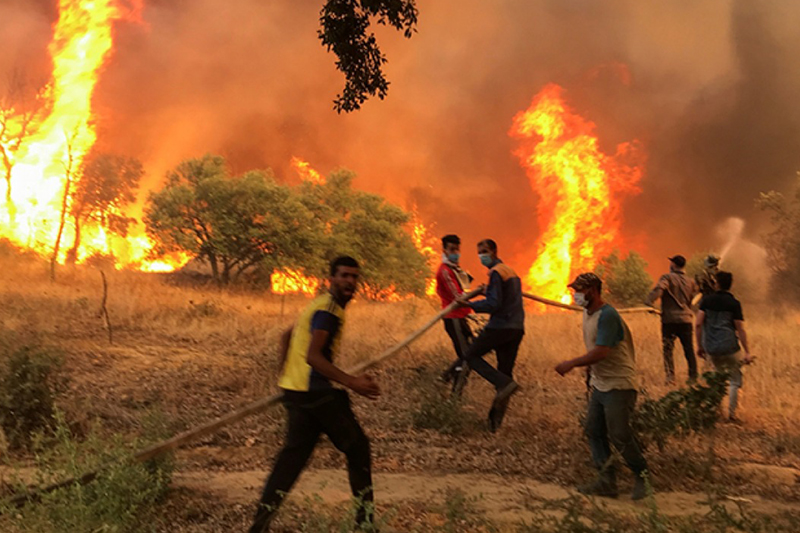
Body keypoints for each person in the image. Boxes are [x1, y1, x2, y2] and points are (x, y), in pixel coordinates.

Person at [249, 256, 380, 533]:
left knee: (291, 462)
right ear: (331, 278)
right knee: (358, 449)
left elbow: (286, 337)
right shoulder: (329, 311)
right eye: (344, 275)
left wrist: (285, 377)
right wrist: (353, 382)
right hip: (317, 395)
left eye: (354, 277)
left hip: (296, 394)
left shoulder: (318, 304)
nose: (350, 281)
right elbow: (313, 356)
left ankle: (258, 527)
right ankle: (365, 525)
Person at [555, 273, 650, 501]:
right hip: (601, 384)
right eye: (574, 289)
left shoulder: (607, 315)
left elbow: (602, 351)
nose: (575, 294)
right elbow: (595, 348)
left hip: (619, 384)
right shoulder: (588, 314)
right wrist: (590, 372)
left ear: (594, 290)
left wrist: (572, 363)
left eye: (580, 289)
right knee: (594, 430)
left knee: (619, 434)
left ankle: (643, 477)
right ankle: (607, 482)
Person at [456, 239, 524, 432]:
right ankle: (494, 425)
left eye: (484, 252)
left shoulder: (496, 272)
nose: (481, 256)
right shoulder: (510, 271)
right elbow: (504, 297)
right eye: (479, 252)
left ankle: (503, 383)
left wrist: (469, 305)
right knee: (505, 371)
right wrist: (487, 291)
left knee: (470, 355)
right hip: (517, 328)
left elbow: (494, 304)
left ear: (494, 251)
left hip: (500, 326)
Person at [695, 271, 754, 422]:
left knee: (717, 379)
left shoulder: (706, 301)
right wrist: (747, 351)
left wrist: (700, 346)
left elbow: (698, 324)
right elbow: (740, 328)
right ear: (730, 285)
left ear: (717, 284)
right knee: (734, 380)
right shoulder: (734, 303)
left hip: (712, 348)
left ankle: (715, 412)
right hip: (730, 347)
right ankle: (731, 415)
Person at [646, 255, 699, 384]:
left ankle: (670, 378)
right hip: (686, 321)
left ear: (674, 265)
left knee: (668, 350)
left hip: (669, 321)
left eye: (671, 263)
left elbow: (660, 289)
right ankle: (693, 377)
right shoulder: (690, 281)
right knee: (689, 349)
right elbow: (695, 298)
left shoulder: (667, 278)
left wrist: (649, 301)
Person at [436, 234, 475, 392]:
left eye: (457, 249)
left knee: (470, 355)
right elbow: (458, 296)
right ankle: (450, 384)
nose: (455, 252)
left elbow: (466, 286)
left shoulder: (455, 268)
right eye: (452, 249)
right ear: (444, 250)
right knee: (467, 357)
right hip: (453, 318)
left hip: (462, 317)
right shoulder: (445, 271)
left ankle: (448, 379)